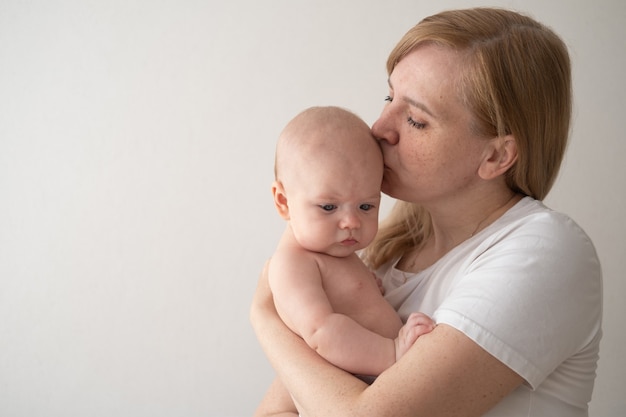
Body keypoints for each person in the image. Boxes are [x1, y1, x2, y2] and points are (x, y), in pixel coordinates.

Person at [251, 7, 602, 417]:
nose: (381, 127)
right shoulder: (378, 251)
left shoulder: (543, 251)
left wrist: (265, 317)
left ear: (496, 156)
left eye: (416, 120)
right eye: (389, 97)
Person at [268, 106, 435, 387]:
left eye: (366, 206)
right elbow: (322, 333)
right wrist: (393, 353)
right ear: (284, 202)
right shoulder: (291, 264)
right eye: (329, 206)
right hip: (351, 392)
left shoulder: (331, 253)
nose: (351, 222)